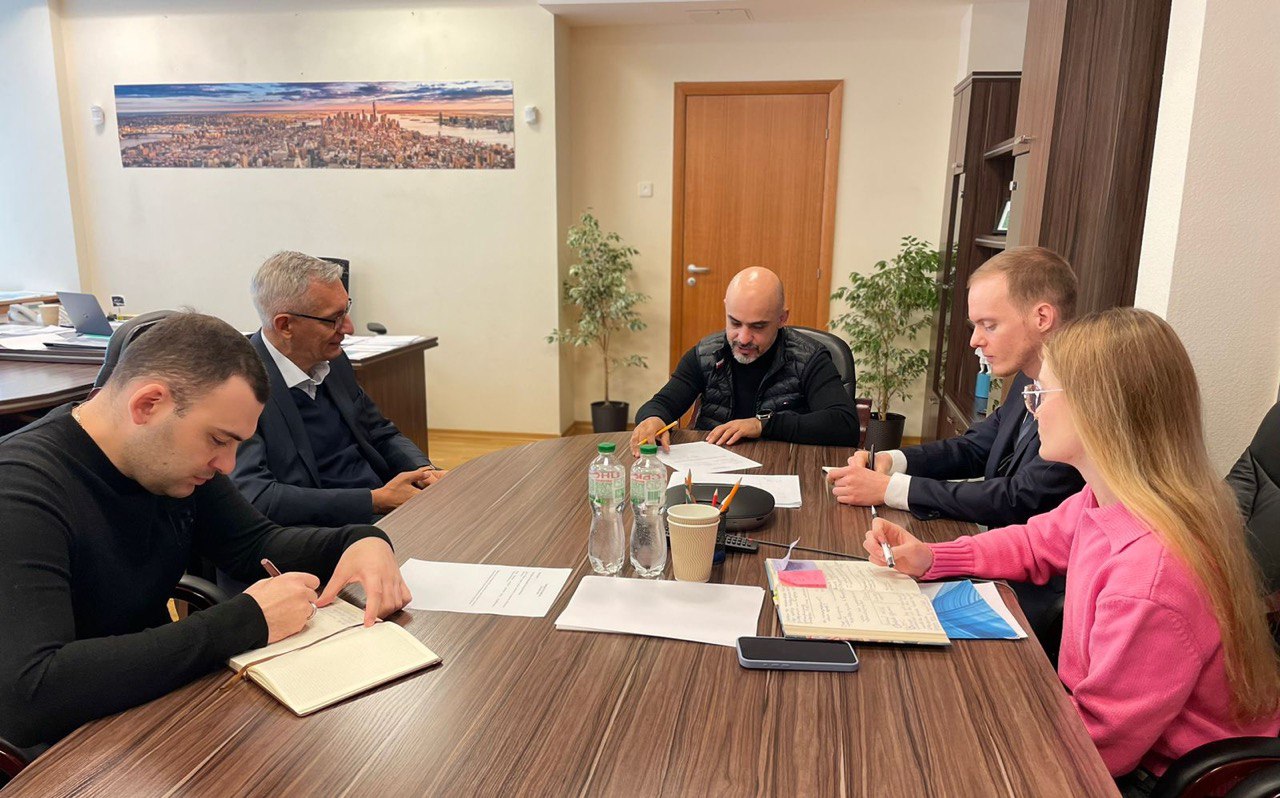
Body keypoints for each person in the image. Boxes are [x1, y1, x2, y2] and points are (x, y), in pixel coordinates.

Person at [863, 308, 1280, 788]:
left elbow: (1101, 744)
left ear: (1099, 411)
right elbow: (1034, 542)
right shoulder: (1107, 499)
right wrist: (932, 557)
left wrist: (965, 723)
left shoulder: (1151, 575)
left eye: (1041, 394)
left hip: (1164, 777)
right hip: (1102, 729)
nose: (1033, 409)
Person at [0, 313, 412, 750]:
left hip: (154, 707)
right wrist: (246, 621)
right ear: (148, 405)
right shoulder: (21, 489)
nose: (228, 466)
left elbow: (254, 546)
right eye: (218, 440)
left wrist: (359, 540)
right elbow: (30, 695)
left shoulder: (169, 461)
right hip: (72, 748)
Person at [827, 246, 1083, 527]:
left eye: (989, 325)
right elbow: (975, 447)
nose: (975, 341)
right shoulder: (1028, 377)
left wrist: (890, 489)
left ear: (1042, 318)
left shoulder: (1083, 396)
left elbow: (1021, 498)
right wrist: (892, 460)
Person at [232, 251, 445, 527]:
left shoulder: (332, 359)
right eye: (333, 318)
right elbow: (259, 496)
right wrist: (374, 500)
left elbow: (379, 431)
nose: (349, 328)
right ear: (285, 325)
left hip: (383, 507)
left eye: (346, 310)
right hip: (325, 530)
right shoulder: (239, 387)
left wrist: (423, 472)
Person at [629, 266, 858, 457]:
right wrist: (652, 419)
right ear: (726, 309)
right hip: (710, 468)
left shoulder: (809, 358)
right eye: (735, 323)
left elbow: (844, 424)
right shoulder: (706, 353)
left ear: (782, 318)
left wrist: (762, 425)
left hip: (783, 468)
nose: (744, 338)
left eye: (758, 326)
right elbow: (663, 403)